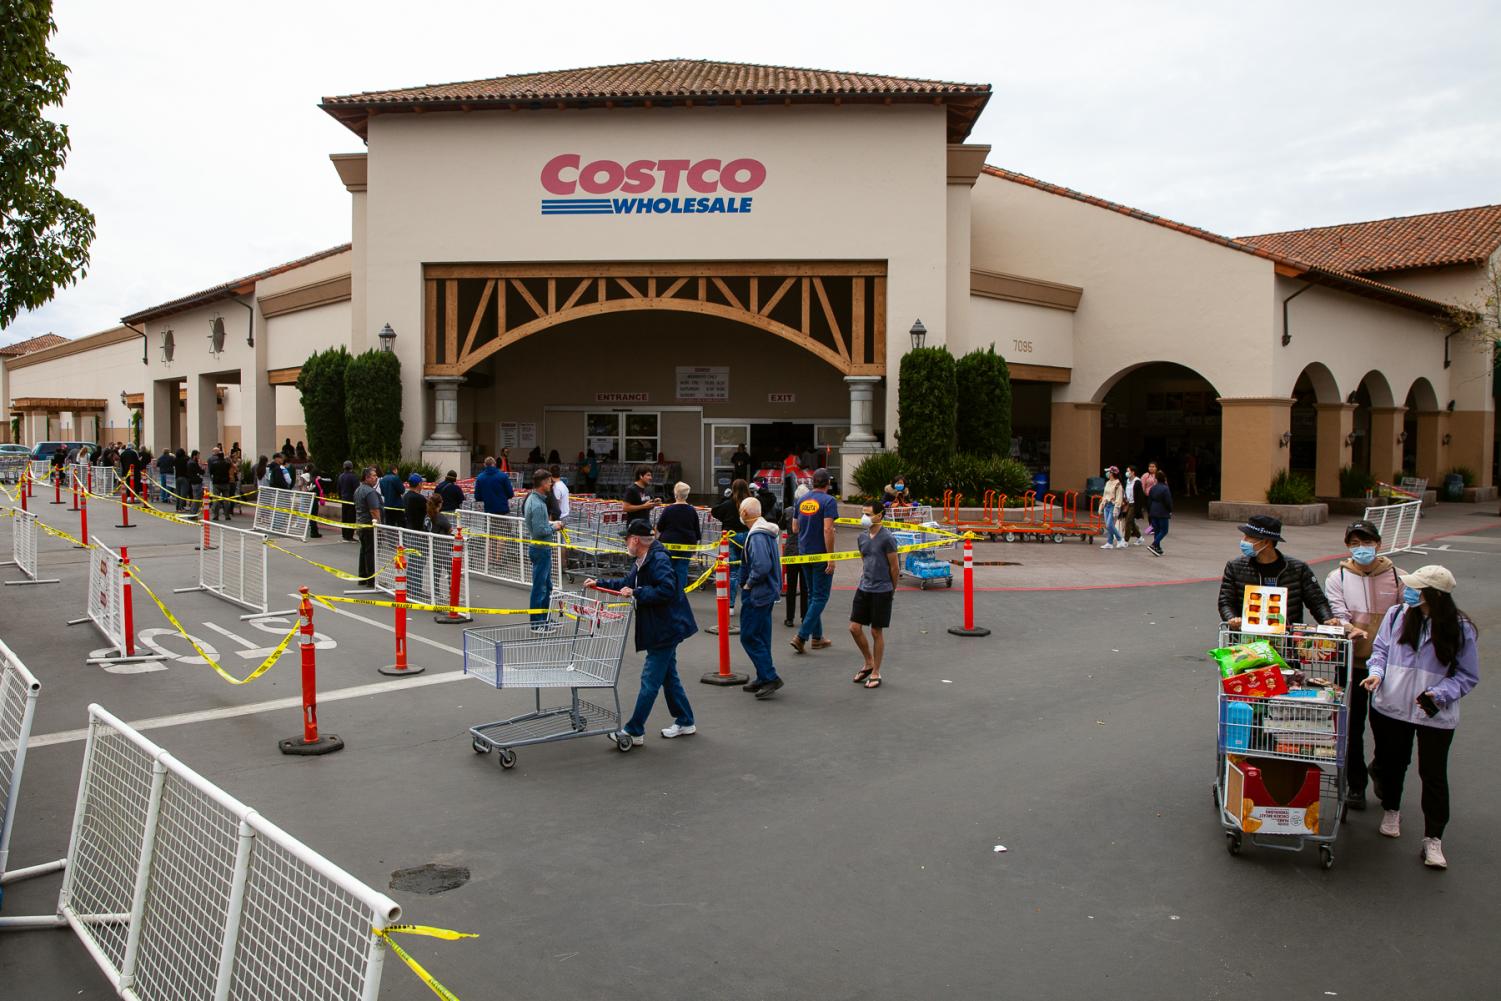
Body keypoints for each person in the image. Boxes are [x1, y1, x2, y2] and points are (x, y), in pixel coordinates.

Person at [1361, 565, 1479, 869]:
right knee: (1391, 762)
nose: (1408, 591)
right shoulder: (1398, 615)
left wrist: (1438, 695)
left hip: (1434, 714)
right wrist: (1376, 674)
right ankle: (1391, 809)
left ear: (1434, 595)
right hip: (1391, 706)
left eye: (1416, 588)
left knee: (1434, 774)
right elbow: (1380, 652)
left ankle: (1433, 839)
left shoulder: (1460, 627)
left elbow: (1467, 675)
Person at [587, 520, 698, 744]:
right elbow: (627, 583)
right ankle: (685, 720)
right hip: (664, 626)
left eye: (626, 539)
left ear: (636, 540)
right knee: (668, 677)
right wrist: (600, 582)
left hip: (665, 628)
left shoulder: (657, 559)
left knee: (650, 679)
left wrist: (638, 592)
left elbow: (667, 589)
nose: (625, 543)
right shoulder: (643, 560)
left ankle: (634, 730)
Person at [1325, 519, 1403, 811]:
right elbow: (1337, 610)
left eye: (1366, 542)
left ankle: (1380, 769)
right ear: (1347, 546)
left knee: (1386, 727)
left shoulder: (1397, 577)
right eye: (1355, 543)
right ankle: (1356, 785)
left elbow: (1403, 617)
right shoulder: (1338, 577)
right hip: (1352, 663)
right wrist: (1347, 627)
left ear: (1378, 544)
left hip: (1388, 667)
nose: (1361, 549)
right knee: (1352, 727)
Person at [1218, 515, 1338, 628]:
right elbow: (1226, 601)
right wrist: (1232, 618)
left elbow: (1317, 601)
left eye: (1249, 537)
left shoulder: (1298, 568)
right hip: (1247, 637)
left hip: (1287, 639)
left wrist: (1327, 619)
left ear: (1266, 542)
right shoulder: (1234, 567)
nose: (1243, 541)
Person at [737, 496, 784, 699]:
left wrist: (748, 584)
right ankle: (763, 675)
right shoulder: (766, 532)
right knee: (762, 636)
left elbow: (761, 566)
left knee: (749, 636)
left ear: (745, 513)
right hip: (767, 592)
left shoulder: (756, 536)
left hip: (757, 593)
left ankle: (769, 676)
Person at [850, 500, 900, 689]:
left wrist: (891, 590)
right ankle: (868, 661)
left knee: (875, 631)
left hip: (882, 590)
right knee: (854, 628)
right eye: (863, 513)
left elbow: (894, 567)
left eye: (869, 514)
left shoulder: (887, 538)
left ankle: (876, 671)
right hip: (864, 587)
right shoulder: (862, 538)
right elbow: (865, 560)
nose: (865, 517)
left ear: (880, 515)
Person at [790, 468, 839, 655]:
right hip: (820, 554)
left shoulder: (801, 500)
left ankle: (817, 638)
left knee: (812, 595)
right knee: (820, 597)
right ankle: (802, 636)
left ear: (812, 483)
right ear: (828, 483)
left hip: (804, 552)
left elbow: (795, 528)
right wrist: (831, 557)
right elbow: (828, 530)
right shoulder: (829, 501)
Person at [524, 468, 564, 627]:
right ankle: (537, 622)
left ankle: (544, 618)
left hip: (539, 547)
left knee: (545, 586)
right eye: (549, 482)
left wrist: (551, 525)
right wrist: (555, 527)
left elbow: (539, 527)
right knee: (540, 587)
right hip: (541, 548)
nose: (551, 484)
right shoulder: (538, 504)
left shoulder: (533, 499)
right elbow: (540, 531)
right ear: (542, 483)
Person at [654, 482, 702, 592]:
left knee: (668, 567)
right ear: (687, 495)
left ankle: (668, 589)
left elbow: (660, 527)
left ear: (675, 494)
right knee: (682, 568)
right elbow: (696, 529)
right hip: (687, 543)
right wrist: (695, 545)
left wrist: (655, 540)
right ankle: (680, 591)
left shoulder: (668, 509)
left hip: (668, 543)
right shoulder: (691, 510)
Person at [712, 479, 752, 614]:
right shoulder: (750, 504)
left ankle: (730, 606)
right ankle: (749, 603)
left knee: (733, 572)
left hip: (730, 537)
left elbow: (715, 511)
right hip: (747, 536)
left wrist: (724, 497)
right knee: (749, 569)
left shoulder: (728, 504)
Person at [782, 484, 809, 628]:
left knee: (791, 587)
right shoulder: (810, 512)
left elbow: (780, 525)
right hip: (805, 551)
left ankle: (789, 618)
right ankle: (805, 616)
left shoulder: (788, 511)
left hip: (791, 551)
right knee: (805, 587)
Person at [353, 467, 382, 583]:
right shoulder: (370, 492)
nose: (376, 478)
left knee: (364, 550)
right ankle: (371, 579)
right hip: (369, 525)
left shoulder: (358, 490)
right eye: (373, 476)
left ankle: (363, 576)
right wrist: (379, 526)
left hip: (361, 524)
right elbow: (374, 510)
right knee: (371, 552)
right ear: (367, 477)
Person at [1146, 470, 1173, 556]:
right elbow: (1168, 501)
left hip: (1153, 511)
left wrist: (1150, 511)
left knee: (1157, 530)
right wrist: (1170, 510)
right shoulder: (1165, 488)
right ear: (1164, 478)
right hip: (1162, 512)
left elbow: (1149, 501)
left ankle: (1158, 548)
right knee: (1164, 530)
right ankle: (1154, 544)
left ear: (1156, 479)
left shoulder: (1153, 488)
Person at [1100, 466, 1124, 550]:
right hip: (1106, 505)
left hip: (1113, 506)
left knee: (1109, 524)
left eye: (1109, 472)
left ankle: (1120, 539)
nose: (1107, 473)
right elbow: (1104, 495)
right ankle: (1109, 542)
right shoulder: (1108, 482)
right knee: (1109, 525)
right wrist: (1101, 505)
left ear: (1112, 473)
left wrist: (1116, 508)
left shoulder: (1118, 484)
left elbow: (1119, 498)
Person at [208, 447, 233, 522]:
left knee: (216, 500)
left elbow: (211, 472)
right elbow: (230, 467)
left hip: (216, 483)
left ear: (218, 456)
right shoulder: (227, 464)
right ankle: (227, 515)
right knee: (226, 500)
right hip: (225, 483)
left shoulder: (214, 464)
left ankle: (216, 515)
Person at [337, 461, 360, 541]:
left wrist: (341, 497)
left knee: (344, 517)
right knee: (351, 518)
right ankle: (349, 536)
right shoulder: (354, 477)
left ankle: (344, 534)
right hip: (351, 500)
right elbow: (357, 489)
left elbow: (339, 489)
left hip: (344, 500)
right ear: (351, 467)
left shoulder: (340, 476)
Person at [1120, 465, 1143, 545]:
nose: (1127, 472)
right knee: (1131, 522)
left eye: (1128, 471)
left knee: (1128, 522)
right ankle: (1140, 537)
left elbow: (1140, 496)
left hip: (1134, 504)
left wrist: (1139, 508)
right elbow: (1125, 491)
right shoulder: (1127, 481)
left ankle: (1125, 540)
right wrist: (1124, 500)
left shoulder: (1137, 482)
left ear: (1133, 472)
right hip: (1128, 504)